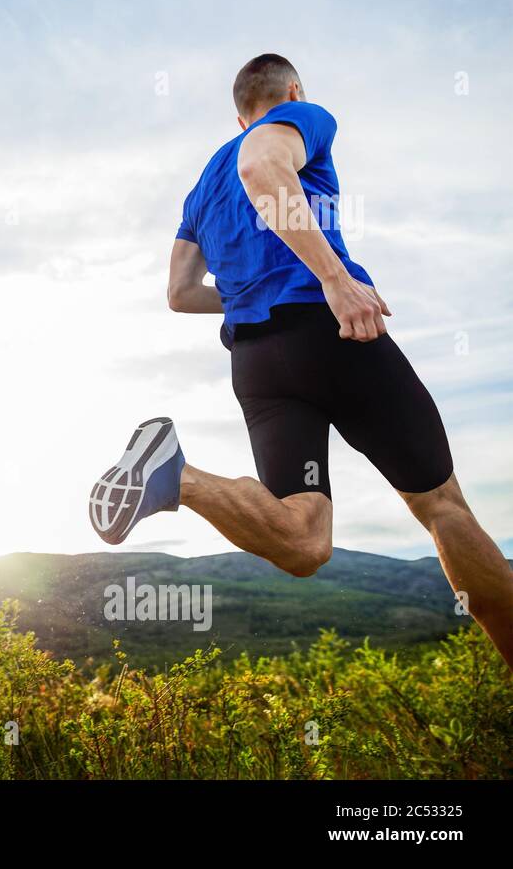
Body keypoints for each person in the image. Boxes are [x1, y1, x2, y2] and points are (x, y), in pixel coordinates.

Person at [88, 54, 513, 669]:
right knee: (442, 507)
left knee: (304, 541)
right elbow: (263, 165)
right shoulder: (301, 119)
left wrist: (245, 296)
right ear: (290, 91)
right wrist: (335, 280)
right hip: (330, 332)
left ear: (238, 117)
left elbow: (180, 294)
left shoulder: (203, 188)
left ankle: (176, 478)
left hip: (259, 364)